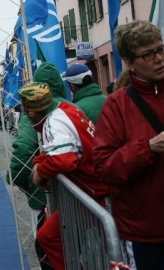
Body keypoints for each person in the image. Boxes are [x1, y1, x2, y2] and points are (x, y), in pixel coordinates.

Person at [93, 20, 164, 270]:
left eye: (160, 49)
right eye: (148, 54)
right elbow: (104, 167)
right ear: (129, 62)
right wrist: (148, 148)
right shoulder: (116, 105)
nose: (159, 58)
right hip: (145, 233)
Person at [20, 82, 110, 270]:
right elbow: (58, 148)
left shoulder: (54, 121)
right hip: (93, 191)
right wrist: (38, 162)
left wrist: (40, 174)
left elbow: (63, 160)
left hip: (94, 194)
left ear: (31, 112)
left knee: (49, 237)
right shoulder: (65, 109)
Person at [6, 62, 67, 270]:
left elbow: (22, 153)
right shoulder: (72, 107)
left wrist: (22, 180)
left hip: (45, 197)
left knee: (48, 252)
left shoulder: (36, 110)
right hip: (84, 195)